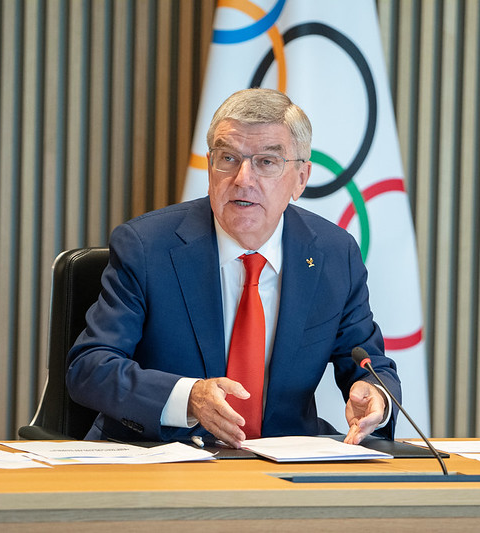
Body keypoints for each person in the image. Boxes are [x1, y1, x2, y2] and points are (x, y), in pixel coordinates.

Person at [66, 88, 401, 449]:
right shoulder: (147, 247)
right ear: (210, 166)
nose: (242, 179)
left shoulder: (333, 254)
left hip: (284, 468)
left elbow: (368, 363)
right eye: (228, 158)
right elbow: (90, 368)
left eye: (266, 162)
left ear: (300, 179)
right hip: (161, 459)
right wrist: (188, 397)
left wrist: (376, 401)